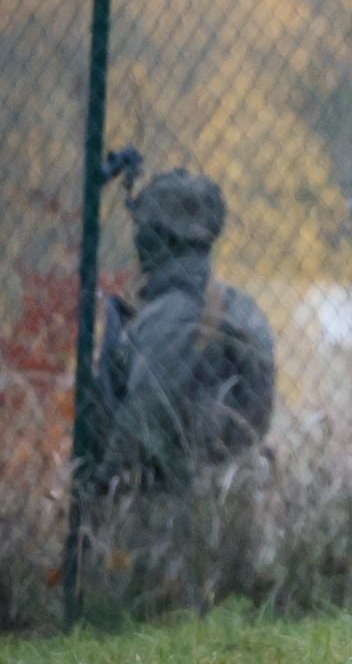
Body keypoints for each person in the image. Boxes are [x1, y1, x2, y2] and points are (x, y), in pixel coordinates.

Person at [86, 169, 276, 492]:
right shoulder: (241, 308)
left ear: (169, 238)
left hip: (164, 507)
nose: (136, 239)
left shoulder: (170, 317)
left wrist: (99, 489)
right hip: (222, 499)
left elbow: (143, 417)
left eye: (146, 228)